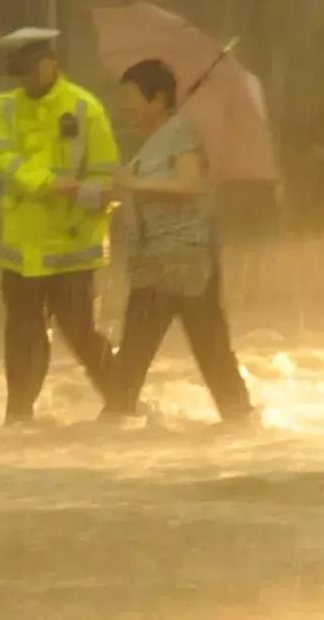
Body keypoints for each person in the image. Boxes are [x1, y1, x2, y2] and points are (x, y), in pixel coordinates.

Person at [102, 58, 254, 422]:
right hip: (157, 265)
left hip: (184, 264)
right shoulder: (155, 141)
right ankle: (242, 422)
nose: (126, 106)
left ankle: (113, 427)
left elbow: (191, 183)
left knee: (201, 351)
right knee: (152, 354)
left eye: (132, 97)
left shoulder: (181, 132)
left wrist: (137, 184)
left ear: (157, 100)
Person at [0, 27, 120, 425]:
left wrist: (85, 194)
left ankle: (122, 400)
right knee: (23, 332)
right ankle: (19, 415)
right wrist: (47, 182)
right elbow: (3, 157)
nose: (25, 82)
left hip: (72, 242)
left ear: (51, 64)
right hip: (22, 244)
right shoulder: (5, 107)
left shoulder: (85, 108)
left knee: (79, 330)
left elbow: (106, 174)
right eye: (19, 75)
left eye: (31, 72)